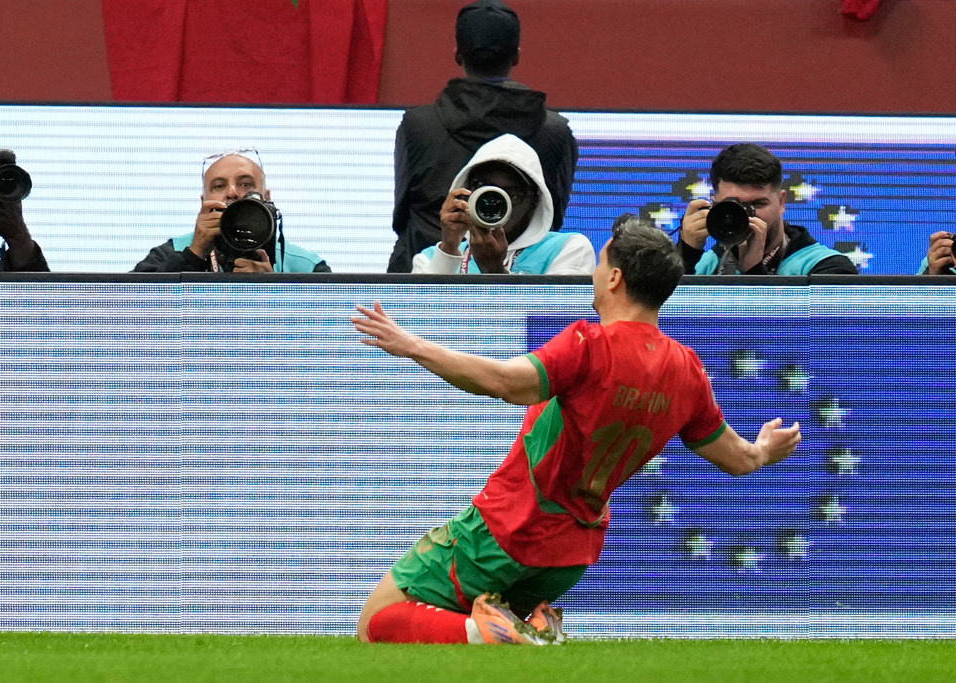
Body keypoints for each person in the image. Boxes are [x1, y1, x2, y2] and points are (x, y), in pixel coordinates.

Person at [351, 215, 802, 645]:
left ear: (615, 278)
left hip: (509, 529)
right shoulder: (687, 369)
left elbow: (506, 384)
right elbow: (740, 459)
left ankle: (493, 632)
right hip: (572, 554)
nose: (594, 273)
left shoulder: (590, 343)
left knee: (379, 620)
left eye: (601, 263)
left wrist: (411, 344)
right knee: (476, 642)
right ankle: (530, 627)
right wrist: (765, 448)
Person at [386, 0, 578, 273]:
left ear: (457, 54)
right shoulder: (555, 131)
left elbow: (402, 216)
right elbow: (552, 217)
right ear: (516, 56)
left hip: (424, 283)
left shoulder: (418, 125)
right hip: (471, 270)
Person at [412, 134, 595, 275]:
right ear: (465, 191)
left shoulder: (567, 249)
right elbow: (418, 320)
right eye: (484, 188)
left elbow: (555, 323)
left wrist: (494, 270)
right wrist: (449, 250)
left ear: (535, 202)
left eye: (512, 193)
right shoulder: (430, 259)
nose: (496, 200)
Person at [133, 149, 330, 273]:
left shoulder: (306, 267)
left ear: (267, 197)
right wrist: (193, 255)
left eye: (245, 184)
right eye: (219, 186)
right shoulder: (169, 254)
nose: (233, 193)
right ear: (204, 201)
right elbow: (133, 319)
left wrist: (271, 292)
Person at [678, 143, 858, 276]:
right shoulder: (706, 264)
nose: (747, 215)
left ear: (781, 202)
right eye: (734, 204)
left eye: (758, 204)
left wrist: (753, 271)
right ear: (715, 204)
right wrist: (686, 253)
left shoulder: (830, 267)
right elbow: (661, 319)